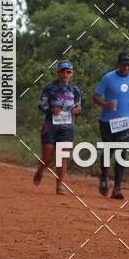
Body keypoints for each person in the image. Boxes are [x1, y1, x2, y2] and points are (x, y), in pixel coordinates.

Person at [93, 51, 129, 199]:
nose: (126, 68)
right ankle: (104, 177)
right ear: (118, 64)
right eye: (123, 65)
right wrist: (104, 105)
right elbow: (95, 96)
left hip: (125, 123)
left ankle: (117, 188)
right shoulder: (108, 78)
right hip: (107, 123)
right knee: (108, 152)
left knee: (121, 154)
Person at [34, 61, 81, 194]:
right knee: (48, 157)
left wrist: (77, 111)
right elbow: (41, 105)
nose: (65, 74)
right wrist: (50, 110)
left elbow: (79, 107)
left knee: (62, 156)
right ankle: (41, 170)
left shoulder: (75, 89)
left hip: (67, 126)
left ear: (71, 73)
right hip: (50, 125)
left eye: (68, 71)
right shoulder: (50, 86)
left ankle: (60, 185)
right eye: (62, 71)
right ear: (58, 72)